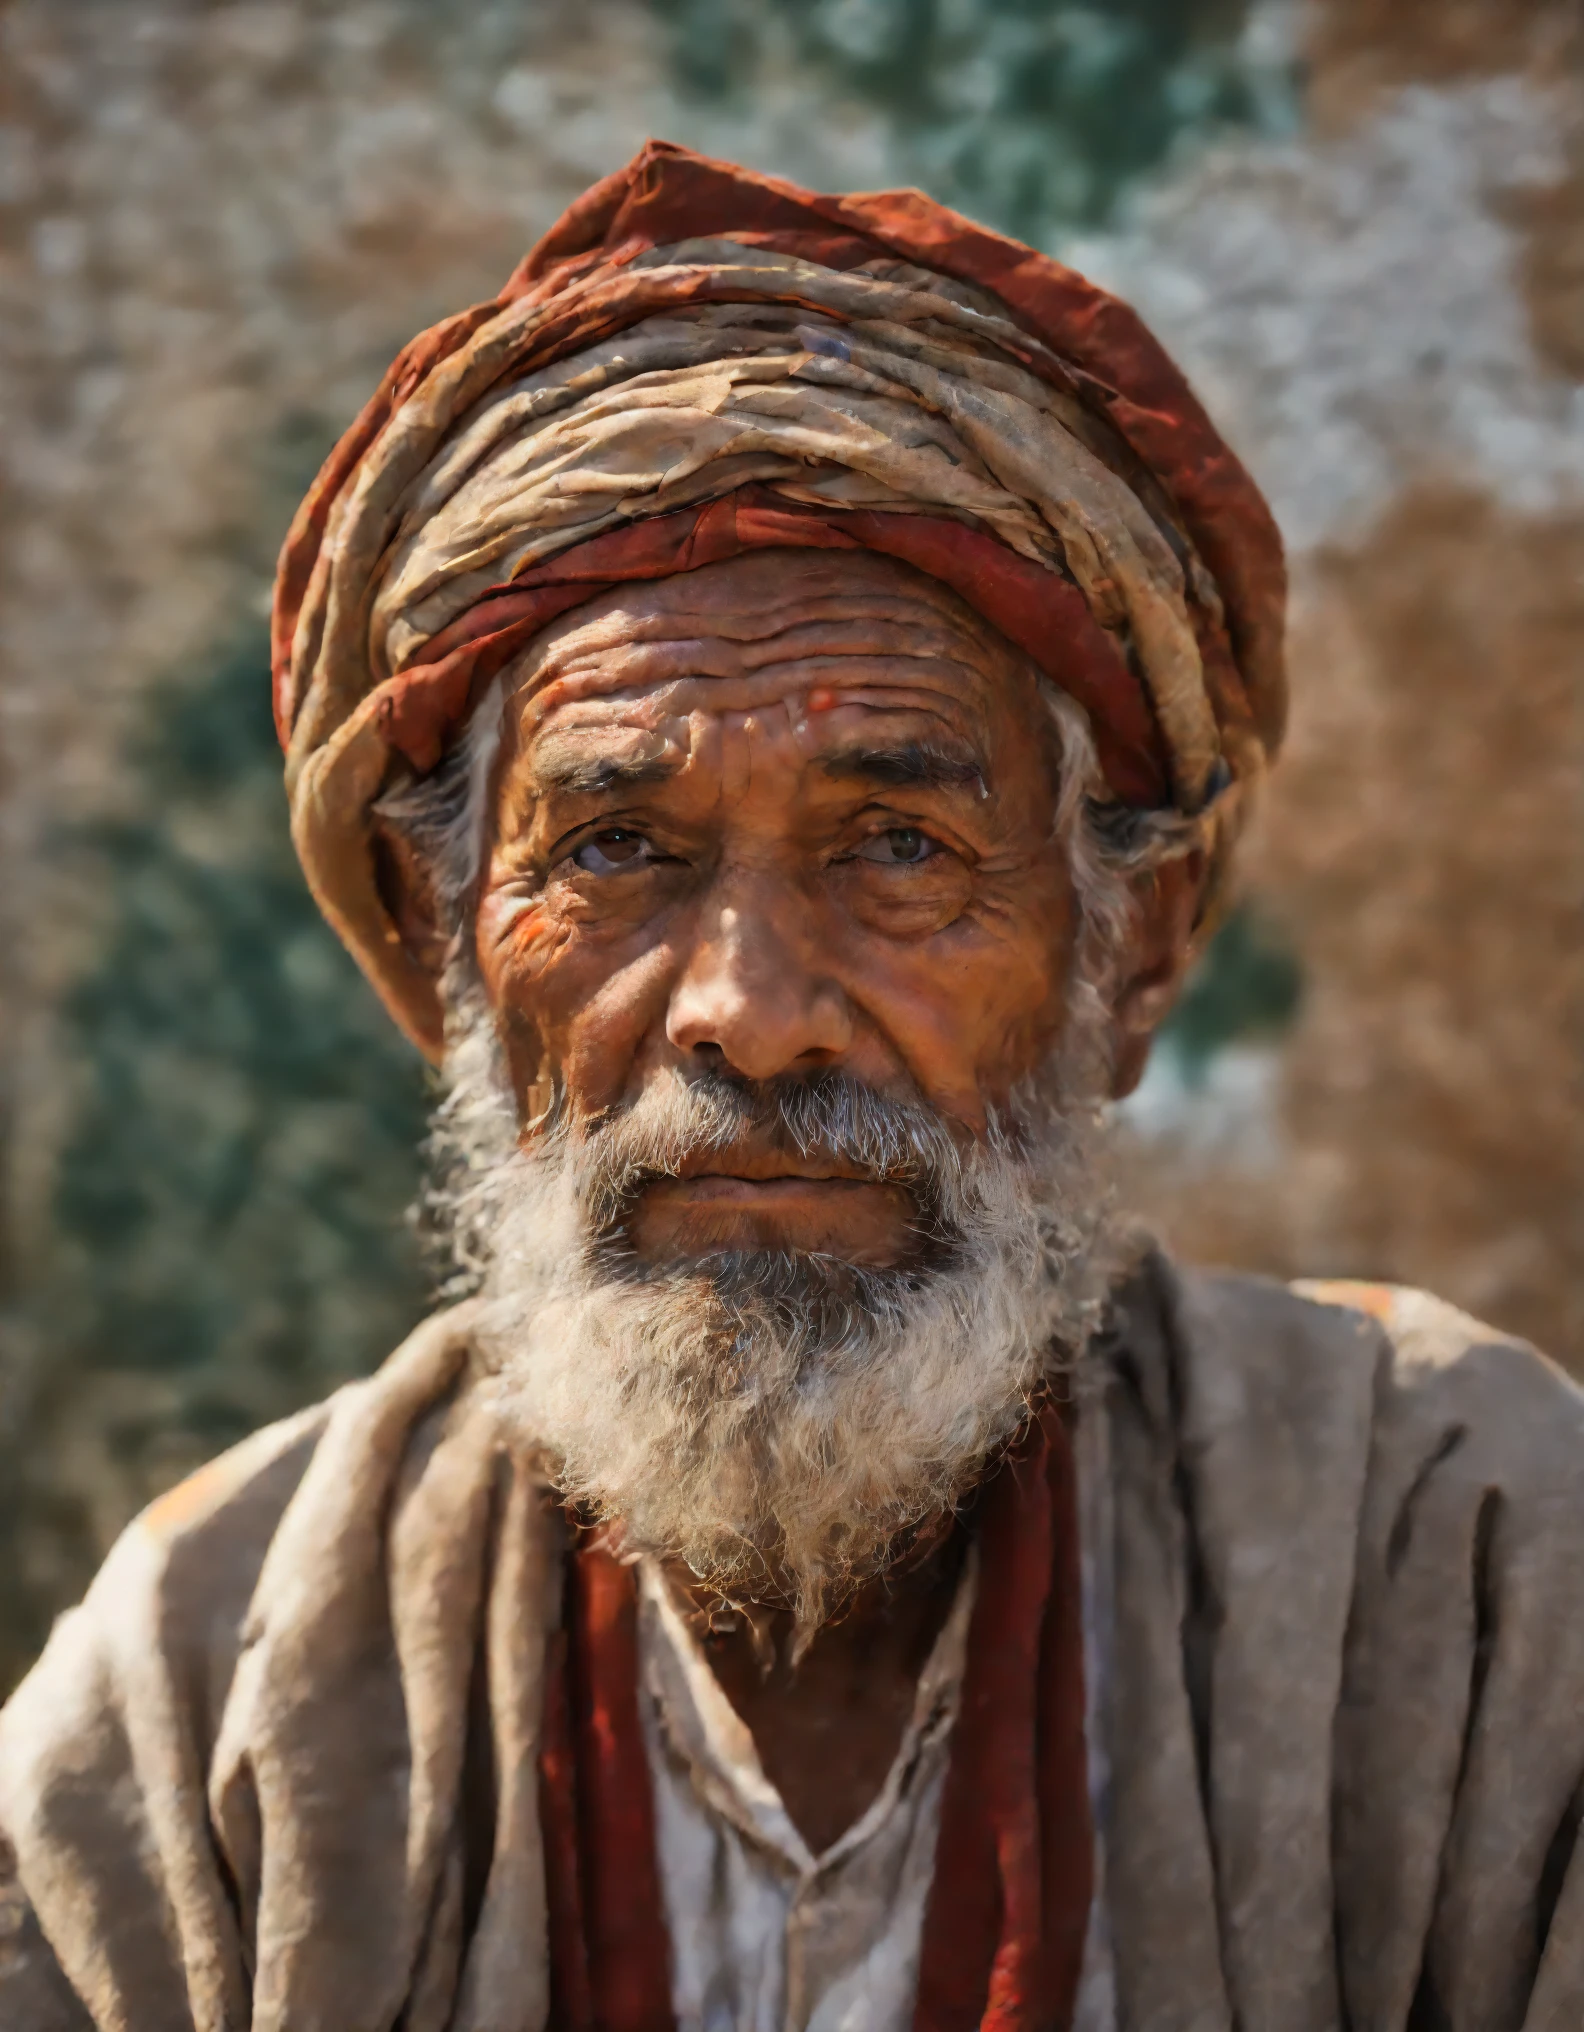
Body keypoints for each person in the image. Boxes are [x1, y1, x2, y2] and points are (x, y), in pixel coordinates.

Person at [3, 141, 1582, 2032]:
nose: (750, 1016)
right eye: (614, 852)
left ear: (1133, 946)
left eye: (898, 846)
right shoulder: (207, 1700)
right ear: (450, 951)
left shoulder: (1471, 1573)